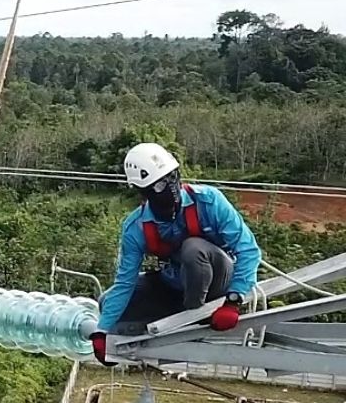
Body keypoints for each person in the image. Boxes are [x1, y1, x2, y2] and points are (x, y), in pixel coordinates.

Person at [90, 142, 261, 366]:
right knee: (107, 301)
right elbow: (125, 283)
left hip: (217, 280)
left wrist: (233, 300)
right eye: (161, 184)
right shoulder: (137, 227)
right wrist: (102, 331)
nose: (171, 187)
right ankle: (165, 322)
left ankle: (195, 318)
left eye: (173, 177)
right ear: (145, 191)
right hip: (176, 284)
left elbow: (248, 249)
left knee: (193, 249)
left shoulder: (209, 201)